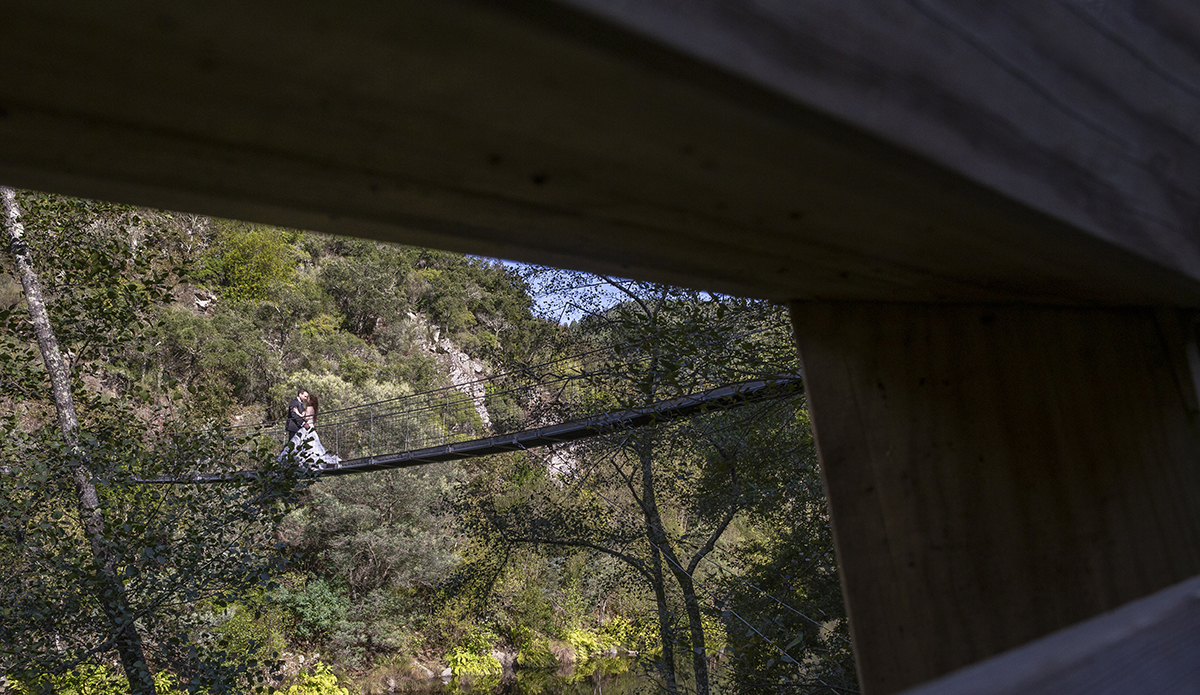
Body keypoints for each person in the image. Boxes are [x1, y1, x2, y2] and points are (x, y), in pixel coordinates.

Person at [294, 392, 340, 469]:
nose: (307, 399)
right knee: (313, 444)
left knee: (305, 444)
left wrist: (297, 413)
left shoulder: (308, 408)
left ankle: (306, 460)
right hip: (311, 427)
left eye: (308, 398)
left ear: (311, 401)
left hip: (307, 428)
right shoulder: (313, 409)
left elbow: (306, 418)